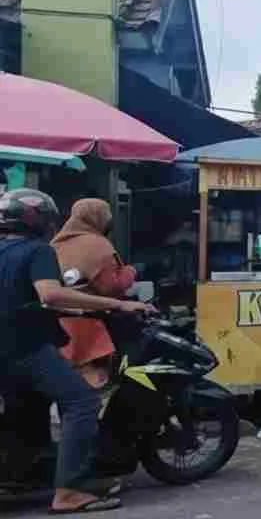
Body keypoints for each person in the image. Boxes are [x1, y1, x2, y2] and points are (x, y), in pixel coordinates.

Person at [0, 189, 152, 514]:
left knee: (25, 407)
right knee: (82, 401)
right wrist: (119, 303)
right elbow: (51, 295)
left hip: (11, 349)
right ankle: (69, 491)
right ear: (41, 220)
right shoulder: (37, 250)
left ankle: (21, 475)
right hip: (24, 346)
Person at [52, 199, 137, 388]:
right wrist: (130, 272)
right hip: (88, 328)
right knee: (90, 391)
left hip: (55, 325)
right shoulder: (98, 245)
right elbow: (110, 287)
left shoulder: (57, 243)